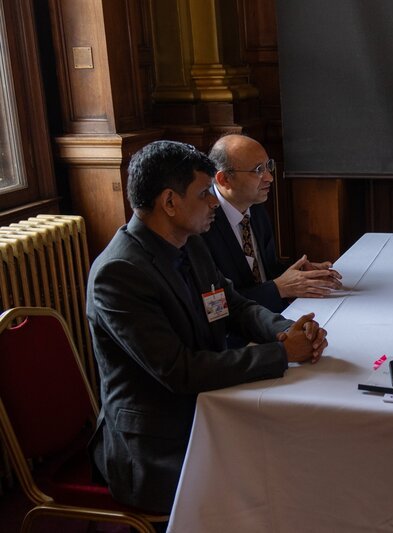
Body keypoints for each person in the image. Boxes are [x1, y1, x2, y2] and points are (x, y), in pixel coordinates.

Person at [86, 140, 328, 514]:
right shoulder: (119, 274)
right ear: (169, 202)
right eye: (204, 194)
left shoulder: (190, 243)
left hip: (206, 410)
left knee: (298, 455)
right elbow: (179, 370)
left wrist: (287, 328)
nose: (215, 201)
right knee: (274, 481)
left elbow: (235, 307)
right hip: (157, 445)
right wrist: (280, 353)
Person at [203, 134, 342, 314]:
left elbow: (266, 270)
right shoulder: (201, 222)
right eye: (258, 170)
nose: (269, 178)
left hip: (271, 317)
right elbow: (214, 308)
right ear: (224, 180)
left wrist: (301, 274)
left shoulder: (255, 206)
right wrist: (279, 288)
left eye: (269, 166)